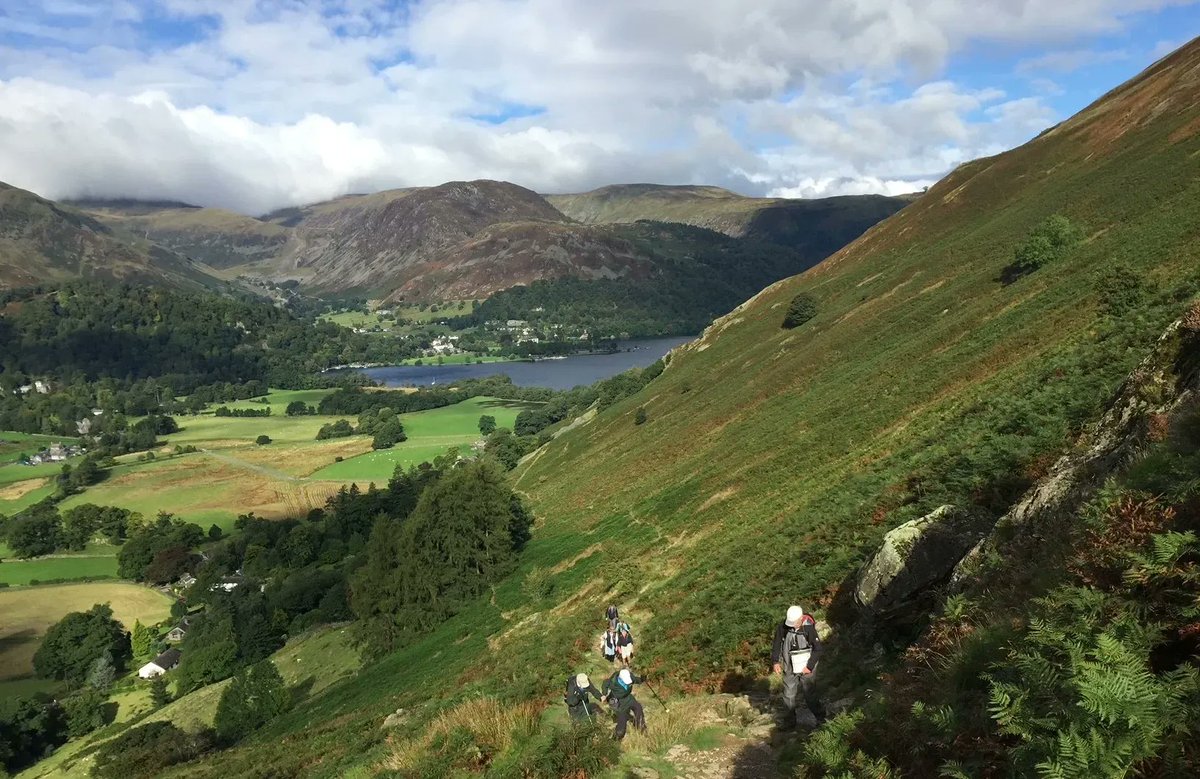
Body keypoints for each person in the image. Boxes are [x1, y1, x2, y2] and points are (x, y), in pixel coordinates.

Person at [771, 605, 822, 730]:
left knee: (809, 693)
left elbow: (818, 649)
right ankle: (789, 723)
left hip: (807, 665)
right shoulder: (783, 626)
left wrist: (809, 666)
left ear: (801, 618)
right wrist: (775, 661)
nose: (792, 625)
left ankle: (821, 718)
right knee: (788, 694)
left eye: (794, 622)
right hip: (789, 664)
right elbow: (777, 643)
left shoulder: (809, 627)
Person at [602, 668, 646, 739]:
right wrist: (604, 694)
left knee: (638, 707)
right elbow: (605, 683)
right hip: (616, 700)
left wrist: (643, 678)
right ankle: (617, 736)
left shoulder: (630, 677)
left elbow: (637, 680)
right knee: (622, 719)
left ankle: (641, 727)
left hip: (628, 697)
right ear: (620, 679)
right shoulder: (613, 682)